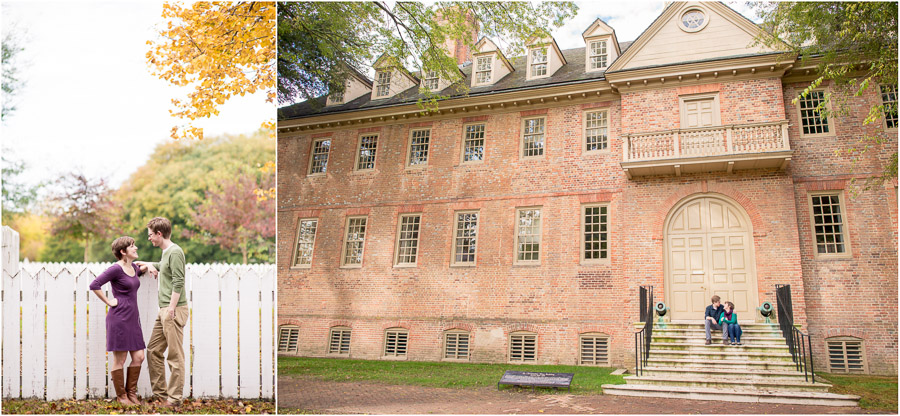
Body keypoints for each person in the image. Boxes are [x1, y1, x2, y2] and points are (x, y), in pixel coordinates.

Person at [136, 217, 188, 407]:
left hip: (173, 310)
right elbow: (162, 268)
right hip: (164, 310)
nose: (149, 238)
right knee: (153, 351)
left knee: (175, 356)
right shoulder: (166, 253)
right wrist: (149, 264)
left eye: (150, 235)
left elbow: (178, 281)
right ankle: (161, 395)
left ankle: (174, 400)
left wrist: (172, 308)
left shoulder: (175, 252)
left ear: (159, 234)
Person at [89, 236, 147, 405]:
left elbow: (142, 267)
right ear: (123, 251)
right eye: (132, 246)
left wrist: (151, 267)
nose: (135, 248)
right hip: (119, 318)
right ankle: (122, 397)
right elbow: (94, 284)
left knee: (139, 356)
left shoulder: (133, 267)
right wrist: (108, 301)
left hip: (133, 319)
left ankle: (132, 394)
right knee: (119, 360)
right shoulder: (115, 269)